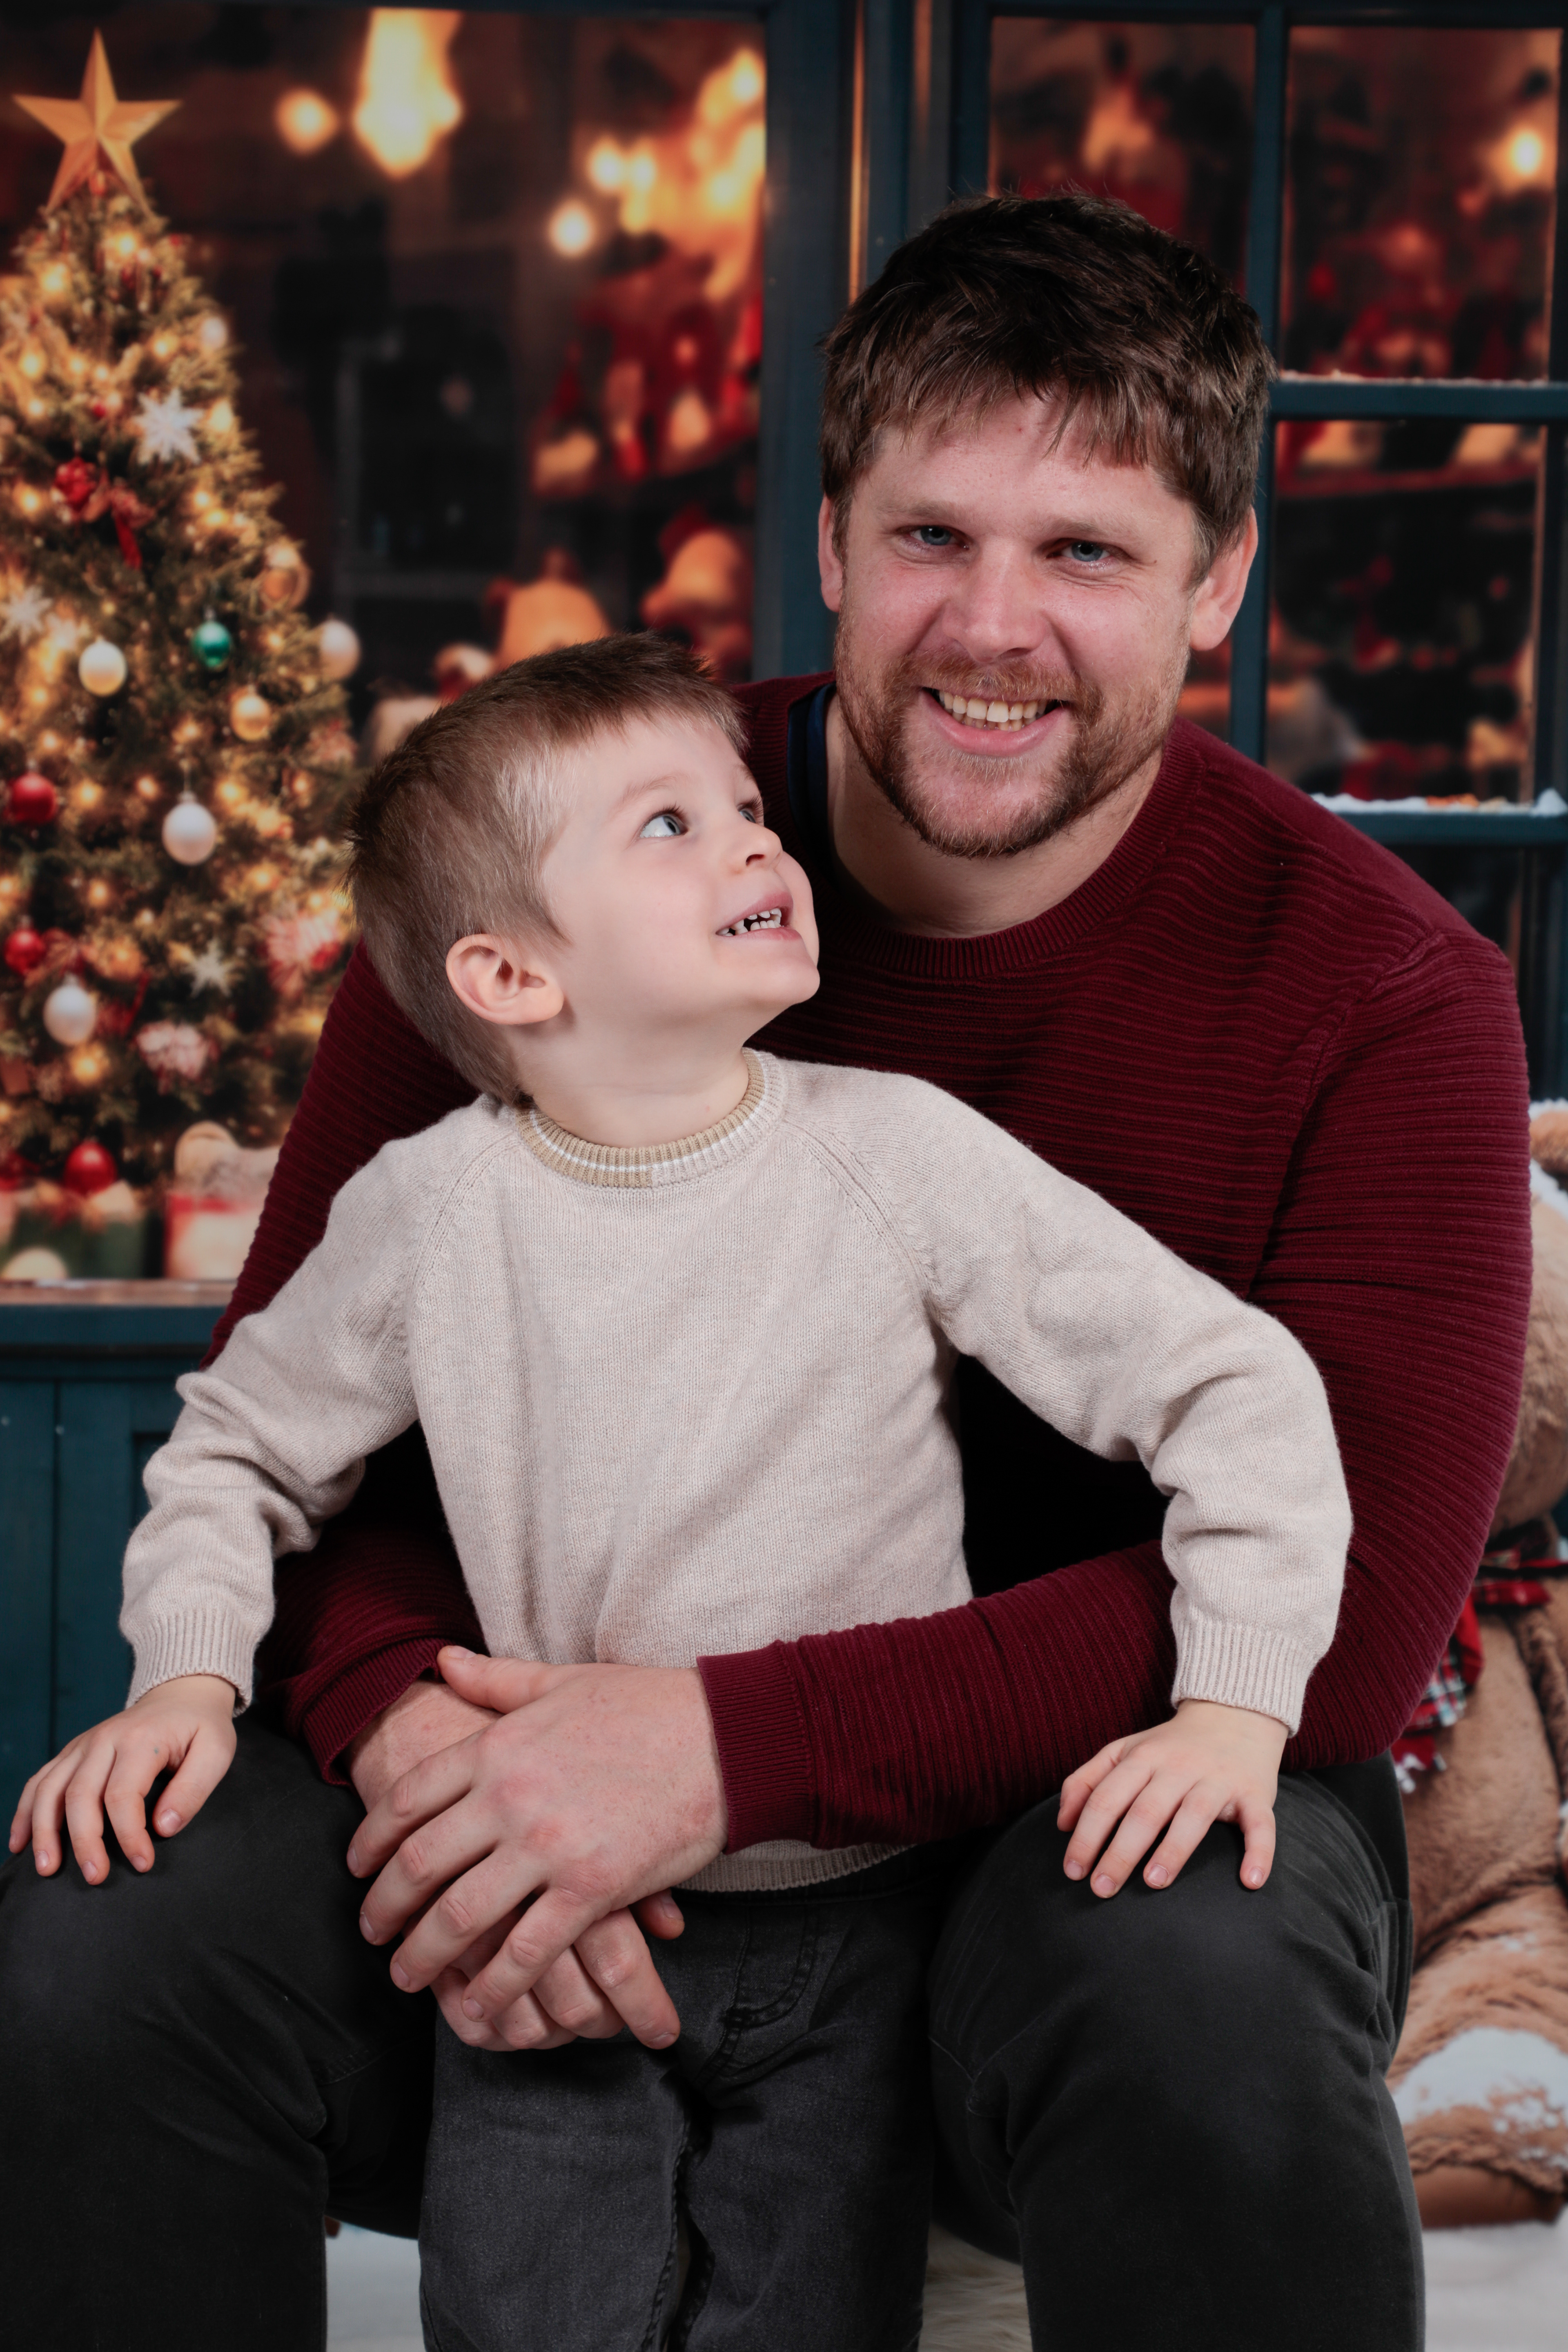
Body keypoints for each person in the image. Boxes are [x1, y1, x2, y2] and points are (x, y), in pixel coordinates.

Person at [0, 194, 1530, 2352]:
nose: (991, 628)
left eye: (1086, 554)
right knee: (103, 1929)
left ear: (1220, 579)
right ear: (828, 540)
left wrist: (716, 1755)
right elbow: (306, 1443)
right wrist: (461, 1783)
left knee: (1202, 1950)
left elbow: (1350, 1628)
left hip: (1070, 1843)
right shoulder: (536, 867)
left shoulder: (1390, 996)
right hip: (539, 1721)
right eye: (932, 538)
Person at [13, 633, 1352, 2351]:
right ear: (508, 977)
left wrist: (1231, 1707)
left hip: (859, 1929)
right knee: (528, 2316)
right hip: (545, 1926)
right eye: (668, 826)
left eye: (742, 807)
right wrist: (188, 1676)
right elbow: (237, 1442)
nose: (756, 844)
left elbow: (1230, 1383)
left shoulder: (896, 1155)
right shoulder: (429, 1219)